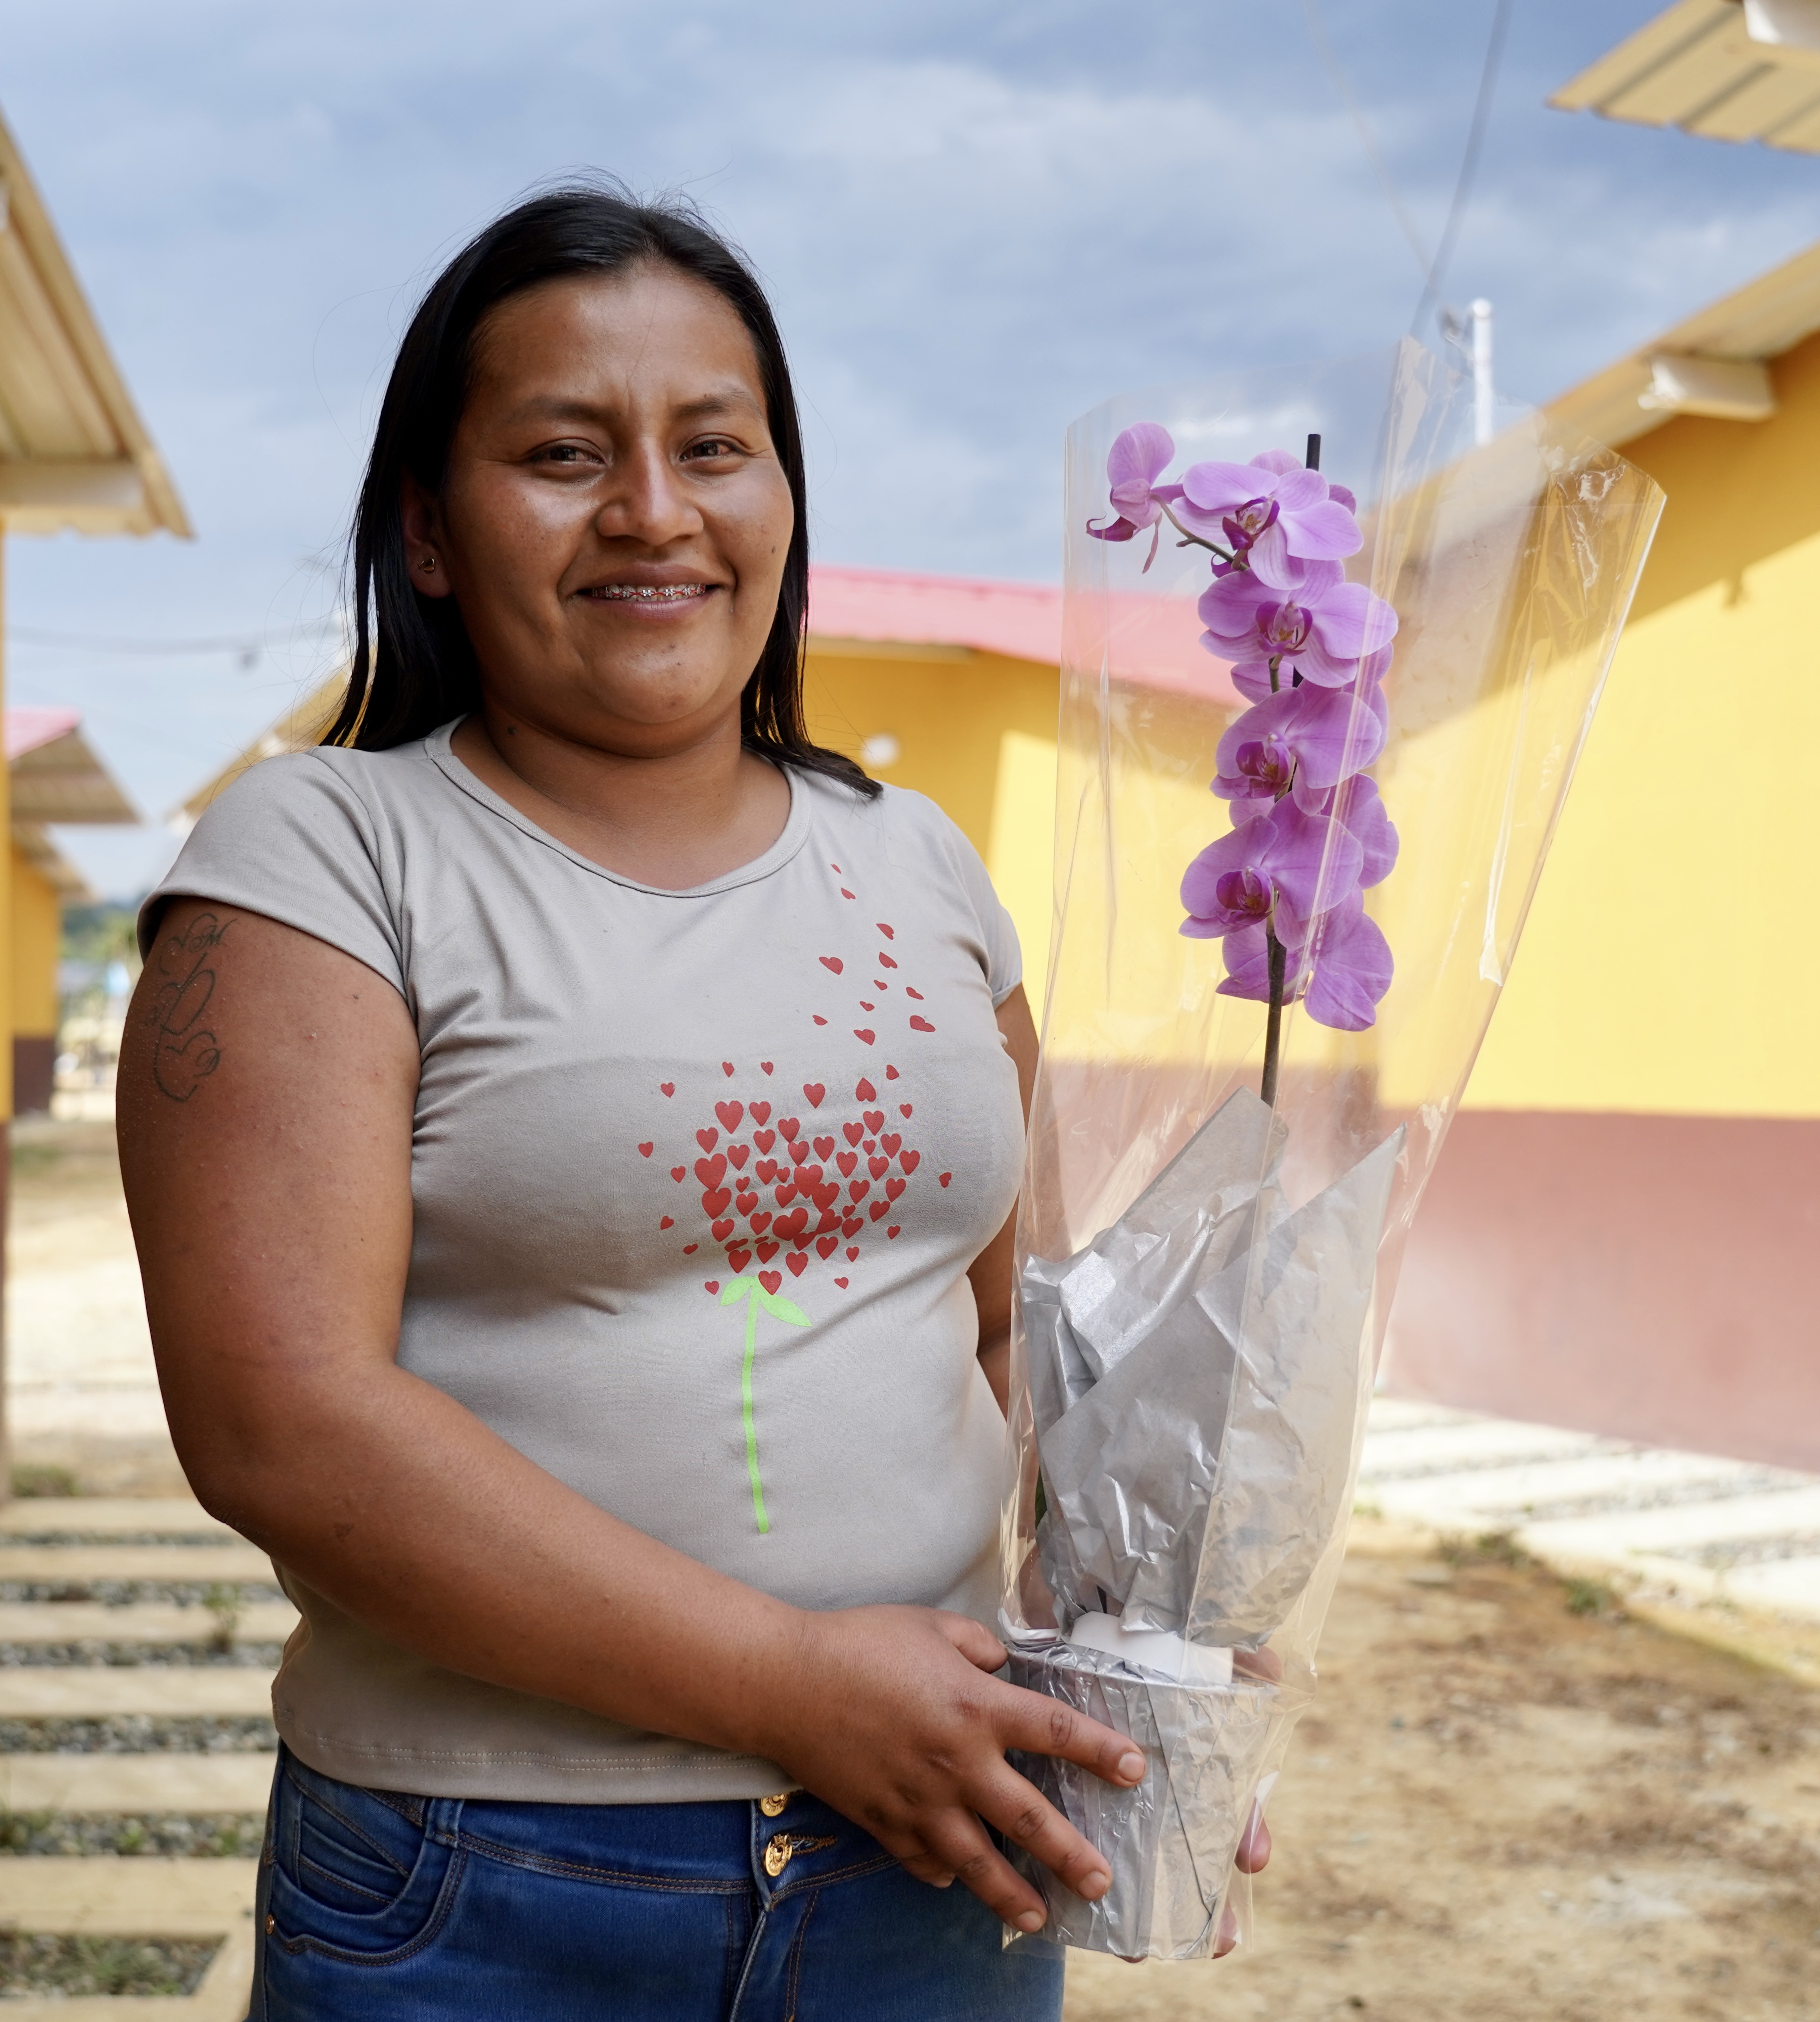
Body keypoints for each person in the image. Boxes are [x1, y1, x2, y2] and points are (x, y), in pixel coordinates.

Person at [122, 184, 1261, 2021]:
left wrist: (1139, 1669)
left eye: (713, 446)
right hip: (492, 1884)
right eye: (565, 453)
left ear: (783, 505)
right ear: (428, 531)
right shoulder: (324, 857)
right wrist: (792, 1688)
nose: (653, 510)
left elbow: (1007, 1336)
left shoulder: (923, 864)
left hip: (932, 1845)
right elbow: (281, 1427)